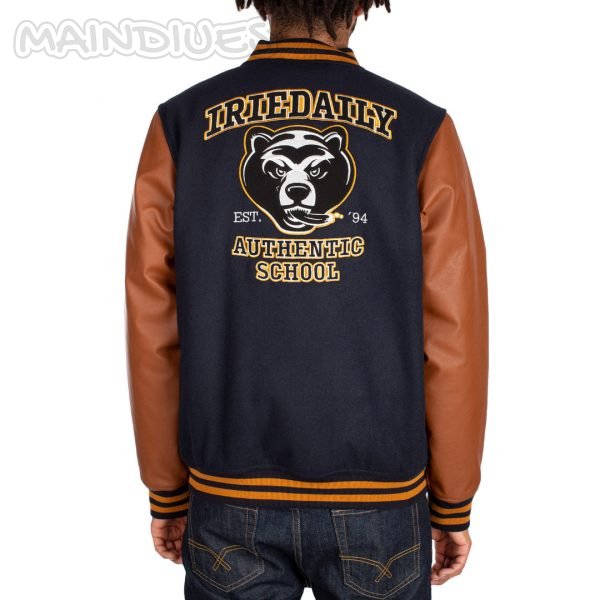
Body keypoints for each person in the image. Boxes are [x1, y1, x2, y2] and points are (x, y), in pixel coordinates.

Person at [125, 1, 488, 598]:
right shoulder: (421, 129)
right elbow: (454, 332)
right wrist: (453, 499)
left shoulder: (182, 124)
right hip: (380, 496)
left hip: (227, 487)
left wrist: (166, 487)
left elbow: (153, 325)